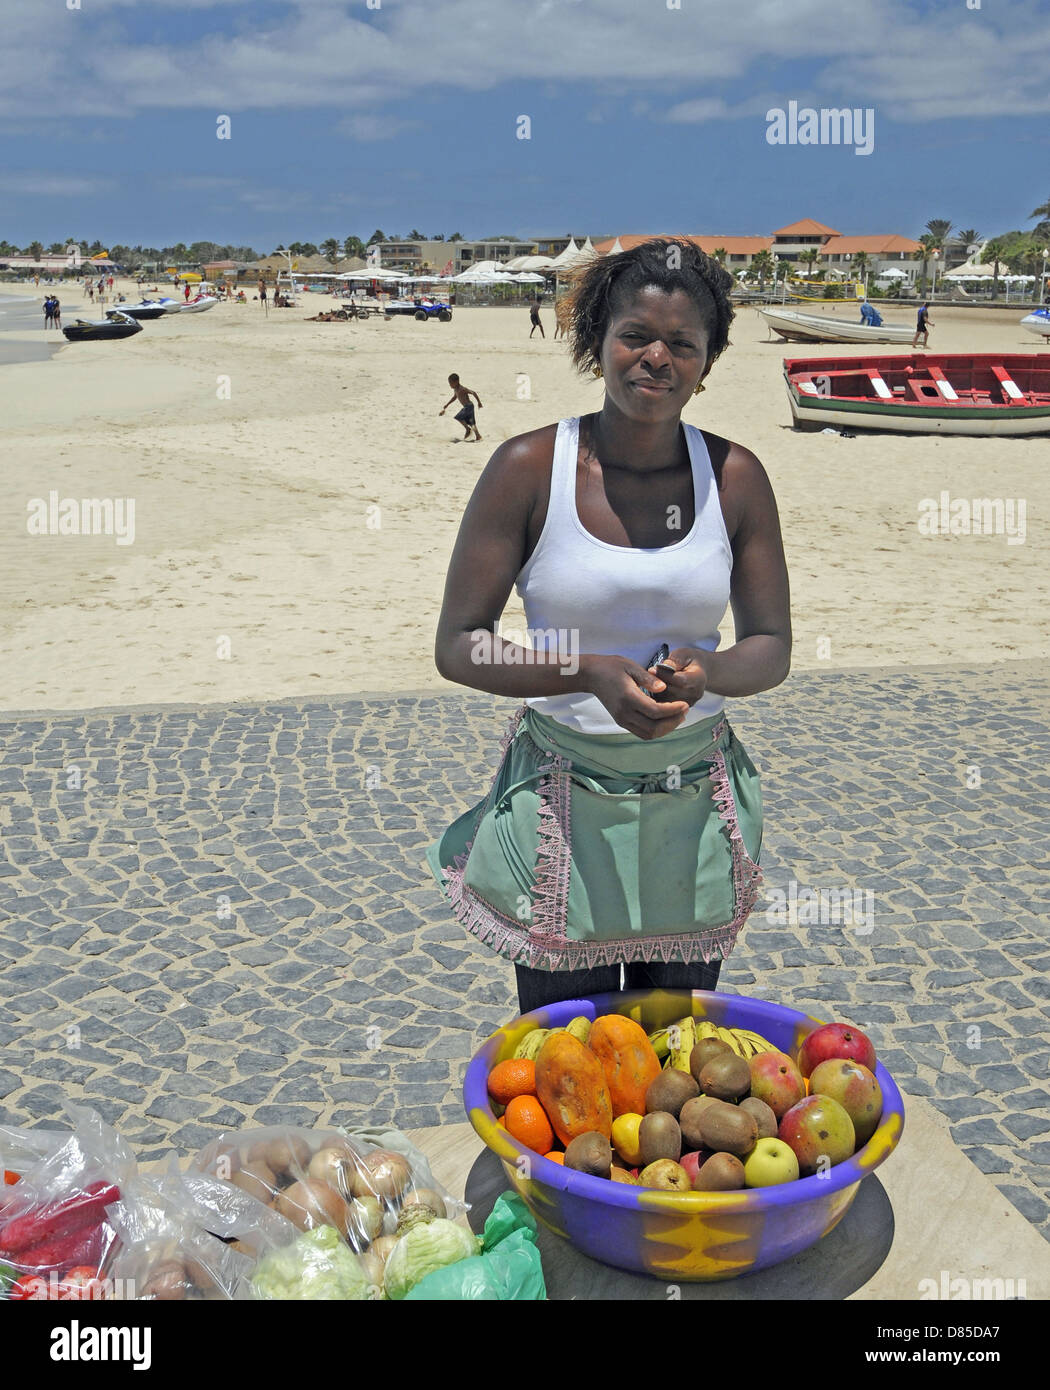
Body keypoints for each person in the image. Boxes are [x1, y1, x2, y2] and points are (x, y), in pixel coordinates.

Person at [426, 238, 791, 1015]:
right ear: (597, 340)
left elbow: (770, 646)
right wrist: (583, 670)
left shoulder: (736, 477)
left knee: (678, 1066)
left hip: (690, 802)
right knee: (568, 1057)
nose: (655, 357)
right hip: (565, 798)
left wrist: (708, 671)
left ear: (707, 362)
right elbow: (460, 643)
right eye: (635, 335)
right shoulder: (529, 469)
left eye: (682, 343)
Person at [439, 373, 483, 442]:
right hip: (469, 406)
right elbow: (455, 397)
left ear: (456, 382)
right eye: (449, 383)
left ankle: (467, 429)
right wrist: (447, 404)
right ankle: (478, 436)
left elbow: (473, 392)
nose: (450, 385)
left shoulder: (462, 389)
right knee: (472, 423)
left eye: (451, 383)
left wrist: (479, 402)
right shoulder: (455, 389)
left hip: (468, 406)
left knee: (458, 417)